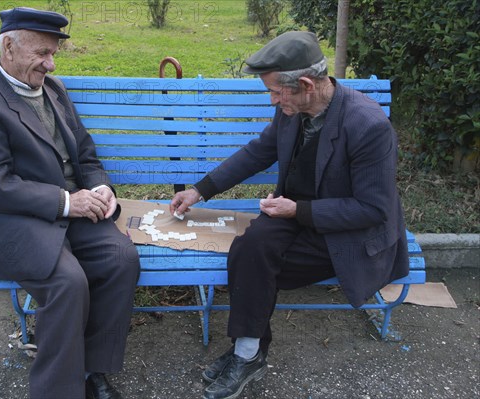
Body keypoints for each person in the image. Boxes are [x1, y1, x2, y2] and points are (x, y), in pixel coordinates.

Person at [170, 31, 409, 399]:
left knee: (254, 266)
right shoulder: (292, 108)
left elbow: (373, 209)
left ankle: (246, 352)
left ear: (306, 85)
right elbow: (258, 151)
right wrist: (199, 189)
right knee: (248, 250)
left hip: (348, 232)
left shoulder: (368, 125)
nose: (272, 99)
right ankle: (249, 353)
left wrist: (298, 209)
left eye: (276, 92)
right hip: (296, 214)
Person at [0, 7, 140, 399]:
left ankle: (90, 371)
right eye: (41, 53)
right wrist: (67, 201)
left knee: (121, 259)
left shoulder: (54, 89)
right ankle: (57, 391)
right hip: (15, 220)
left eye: (54, 53)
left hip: (72, 211)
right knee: (67, 283)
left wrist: (101, 188)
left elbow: (85, 153)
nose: (50, 64)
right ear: (8, 46)